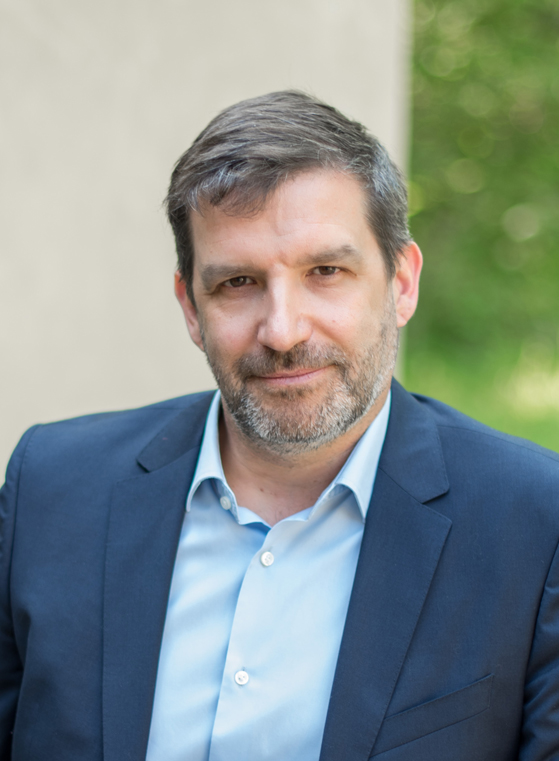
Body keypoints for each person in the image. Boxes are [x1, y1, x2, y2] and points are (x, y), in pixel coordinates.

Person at [1, 91, 558, 761]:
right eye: (238, 282)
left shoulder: (534, 524)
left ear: (401, 283)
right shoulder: (49, 490)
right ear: (190, 306)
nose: (283, 331)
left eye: (326, 271)